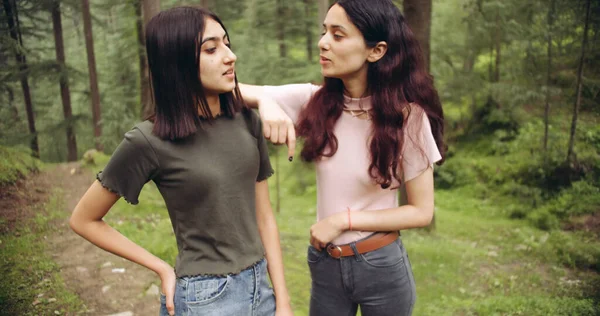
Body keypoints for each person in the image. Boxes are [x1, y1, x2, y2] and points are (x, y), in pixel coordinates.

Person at [69, 7, 293, 316]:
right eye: (212, 49)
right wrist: (161, 268)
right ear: (178, 62)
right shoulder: (148, 140)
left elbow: (264, 216)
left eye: (227, 44)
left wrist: (283, 301)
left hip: (261, 290)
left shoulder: (246, 120)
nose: (230, 56)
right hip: (207, 298)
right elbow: (83, 219)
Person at [240, 0, 446, 315]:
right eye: (324, 32)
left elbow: (421, 212)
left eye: (338, 35)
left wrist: (343, 220)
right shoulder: (315, 101)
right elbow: (231, 90)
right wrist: (265, 102)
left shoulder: (408, 117)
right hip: (326, 265)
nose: (323, 43)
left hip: (381, 264)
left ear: (375, 51)